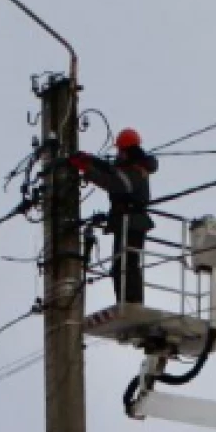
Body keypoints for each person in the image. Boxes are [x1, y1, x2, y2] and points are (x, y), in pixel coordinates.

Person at [70, 128, 159, 304]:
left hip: (132, 222)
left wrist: (86, 169)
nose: (118, 154)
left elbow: (114, 183)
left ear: (127, 151)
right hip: (126, 222)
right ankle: (126, 301)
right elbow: (110, 170)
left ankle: (131, 303)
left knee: (126, 266)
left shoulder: (136, 171)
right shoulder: (129, 168)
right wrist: (90, 159)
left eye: (120, 150)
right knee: (121, 266)